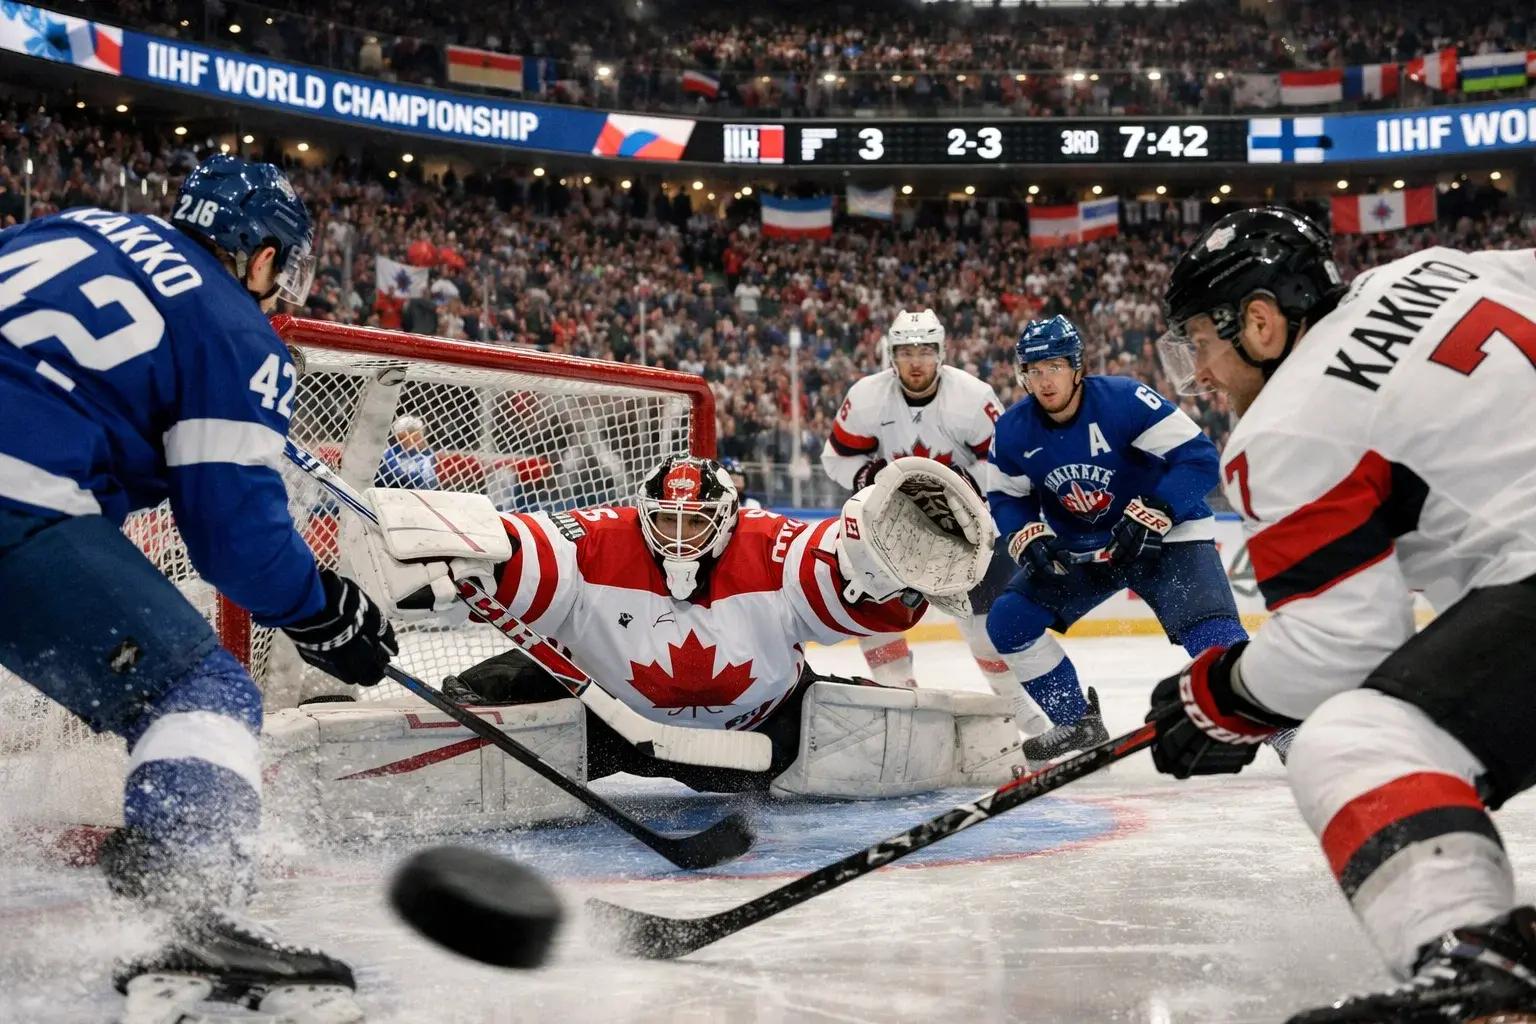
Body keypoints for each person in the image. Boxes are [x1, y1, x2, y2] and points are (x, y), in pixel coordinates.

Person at [0, 155, 396, 1023]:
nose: (278, 288)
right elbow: (236, 543)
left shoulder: (65, 225)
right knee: (199, 688)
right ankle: (189, 916)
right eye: (278, 267)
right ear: (258, 255)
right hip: (13, 486)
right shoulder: (231, 326)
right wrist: (320, 611)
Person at [1147, 205, 1536, 1022]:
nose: (1199, 376)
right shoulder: (1432, 267)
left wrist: (1221, 697)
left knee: (1360, 738)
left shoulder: (1289, 422)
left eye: (1198, 346)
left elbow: (1344, 646)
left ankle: (1480, 973)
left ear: (1258, 322)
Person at [346, 454, 1017, 797]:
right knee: (499, 683)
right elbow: (533, 550)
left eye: (694, 522)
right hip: (606, 720)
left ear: (726, 518)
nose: (677, 538)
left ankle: (980, 742)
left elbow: (846, 585)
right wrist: (470, 560)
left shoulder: (770, 547)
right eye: (664, 521)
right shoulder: (600, 540)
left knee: (849, 709)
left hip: (761, 738)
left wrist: (885, 566)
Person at [986, 315, 1249, 763]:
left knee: (1211, 630)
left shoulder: (1124, 401)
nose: (1044, 380)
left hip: (1167, 536)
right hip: (1084, 546)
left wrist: (1159, 511)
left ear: (1077, 366)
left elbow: (1199, 458)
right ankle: (1076, 722)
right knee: (1009, 622)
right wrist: (1026, 533)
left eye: (1053, 366)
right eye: (1033, 370)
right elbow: (1007, 497)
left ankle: (1282, 726)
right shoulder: (1013, 430)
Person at [819, 309, 1035, 727]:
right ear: (891, 355)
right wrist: (869, 475)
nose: (915, 361)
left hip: (970, 530)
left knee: (986, 632)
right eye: (905, 351)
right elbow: (837, 458)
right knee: (874, 616)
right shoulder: (866, 396)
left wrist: (960, 484)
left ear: (941, 353)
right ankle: (902, 704)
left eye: (924, 350)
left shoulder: (973, 396)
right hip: (894, 531)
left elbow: (1008, 463)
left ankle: (1022, 718)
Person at [376, 413, 439, 489]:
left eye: (419, 435)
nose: (419, 438)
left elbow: (431, 480)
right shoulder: (390, 454)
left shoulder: (426, 453)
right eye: (414, 435)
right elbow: (396, 477)